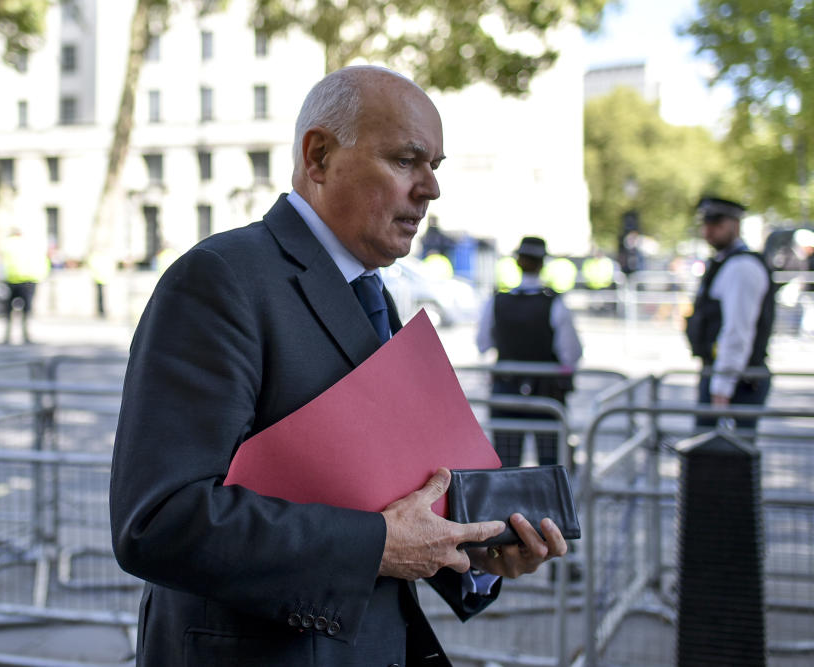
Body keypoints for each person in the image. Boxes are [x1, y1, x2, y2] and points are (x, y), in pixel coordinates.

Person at [110, 66, 568, 667]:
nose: (430, 189)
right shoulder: (221, 278)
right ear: (319, 155)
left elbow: (396, 498)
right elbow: (158, 521)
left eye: (435, 166)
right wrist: (377, 546)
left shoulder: (375, 295)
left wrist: (474, 549)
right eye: (407, 161)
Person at [476, 236, 583, 468]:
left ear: (517, 263)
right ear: (542, 263)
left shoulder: (496, 301)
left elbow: (482, 343)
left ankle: (506, 504)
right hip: (546, 391)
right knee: (550, 463)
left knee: (506, 462)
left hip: (506, 387)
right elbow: (571, 353)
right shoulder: (555, 304)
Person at [686, 196, 776, 431]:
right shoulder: (725, 263)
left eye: (717, 224)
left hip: (737, 381)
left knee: (726, 459)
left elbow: (737, 329)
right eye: (705, 224)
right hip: (725, 374)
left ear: (735, 225)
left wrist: (722, 387)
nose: (708, 231)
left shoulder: (741, 267)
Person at [0, 227, 50, 344]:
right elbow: (41, 260)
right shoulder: (30, 244)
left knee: (8, 310)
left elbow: (1, 261)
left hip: (11, 279)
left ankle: (7, 336)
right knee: (27, 309)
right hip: (28, 279)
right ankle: (26, 335)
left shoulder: (7, 244)